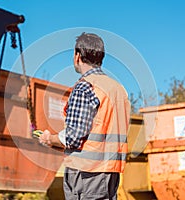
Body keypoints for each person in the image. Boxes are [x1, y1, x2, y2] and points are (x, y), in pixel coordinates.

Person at [39, 32, 130, 200]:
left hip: (86, 174)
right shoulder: (118, 89)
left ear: (77, 56)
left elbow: (74, 136)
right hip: (110, 171)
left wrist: (49, 139)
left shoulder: (85, 87)